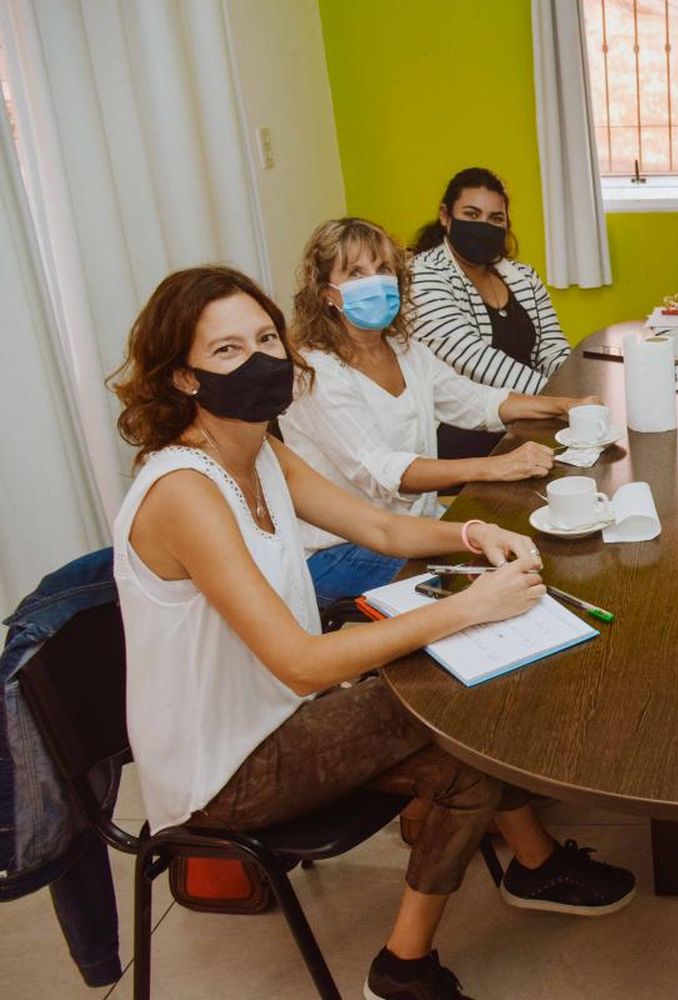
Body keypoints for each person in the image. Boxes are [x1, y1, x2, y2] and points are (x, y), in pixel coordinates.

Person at [109, 266, 635, 1000]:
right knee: (457, 706)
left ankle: (408, 961)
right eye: (227, 351)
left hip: (280, 719)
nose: (260, 360)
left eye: (265, 338)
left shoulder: (257, 451)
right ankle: (517, 878)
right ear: (184, 379)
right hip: (223, 768)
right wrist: (467, 609)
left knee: (467, 742)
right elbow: (300, 662)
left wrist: (474, 531)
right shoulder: (183, 492)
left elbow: (382, 526)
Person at [280, 217, 597, 607]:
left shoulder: (404, 349)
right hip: (339, 550)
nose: (375, 281)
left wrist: (563, 405)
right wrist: (492, 466)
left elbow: (475, 400)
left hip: (414, 528)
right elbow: (386, 471)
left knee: (521, 552)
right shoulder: (314, 373)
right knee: (491, 577)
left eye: (382, 269)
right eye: (356, 273)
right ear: (327, 292)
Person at [410, 168, 571, 457]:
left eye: (495, 219)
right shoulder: (421, 275)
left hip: (532, 415)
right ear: (445, 217)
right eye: (472, 215)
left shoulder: (523, 276)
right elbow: (473, 358)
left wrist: (572, 389)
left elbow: (552, 347)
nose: (483, 226)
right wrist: (556, 402)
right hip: (463, 426)